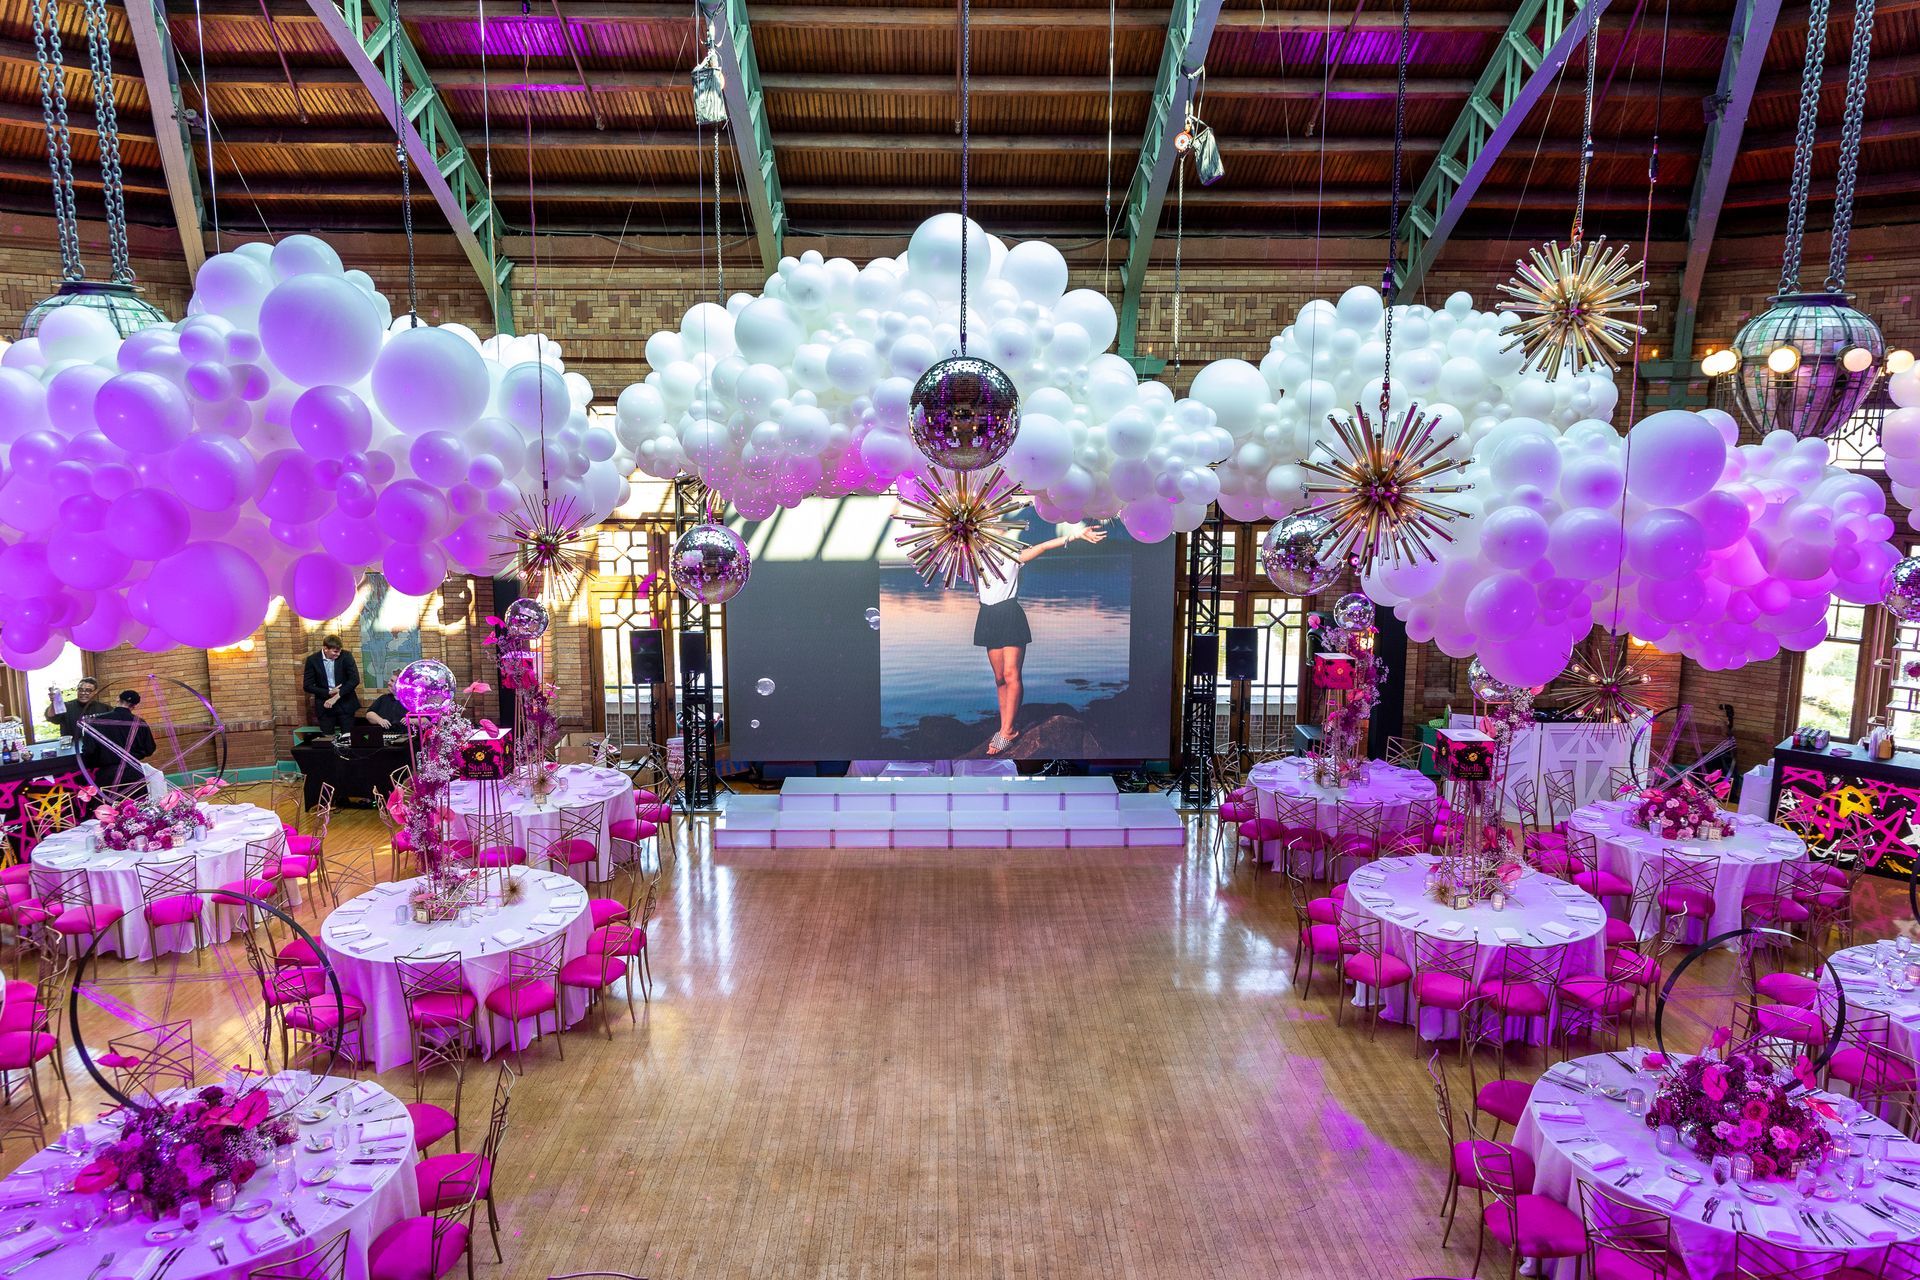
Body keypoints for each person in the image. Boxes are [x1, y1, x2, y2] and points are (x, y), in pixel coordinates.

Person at [974, 520, 1107, 755]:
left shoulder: (1014, 556)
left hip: (1009, 614)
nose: (995, 534)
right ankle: (1005, 726)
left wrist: (1076, 535)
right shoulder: (975, 557)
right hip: (987, 615)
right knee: (998, 678)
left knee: (1011, 673)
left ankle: (1007, 731)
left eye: (998, 532)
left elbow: (1044, 546)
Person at [82, 689, 157, 790]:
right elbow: (150, 748)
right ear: (134, 706)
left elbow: (88, 750)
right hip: (134, 774)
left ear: (118, 699)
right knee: (135, 804)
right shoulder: (140, 723)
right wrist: (134, 756)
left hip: (107, 776)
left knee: (108, 805)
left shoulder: (96, 721)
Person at [302, 635, 361, 733]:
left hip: (345, 703)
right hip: (325, 706)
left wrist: (336, 696)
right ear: (325, 648)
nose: (338, 654)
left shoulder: (346, 656)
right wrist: (329, 692)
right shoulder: (312, 660)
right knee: (327, 740)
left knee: (348, 738)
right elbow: (307, 686)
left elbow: (354, 680)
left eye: (339, 651)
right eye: (335, 651)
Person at [44, 675, 109, 741]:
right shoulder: (66, 707)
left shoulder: (105, 709)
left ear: (95, 692)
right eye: (80, 690)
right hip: (72, 748)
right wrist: (54, 702)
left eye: (88, 690)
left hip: (97, 748)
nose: (83, 693)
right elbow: (51, 717)